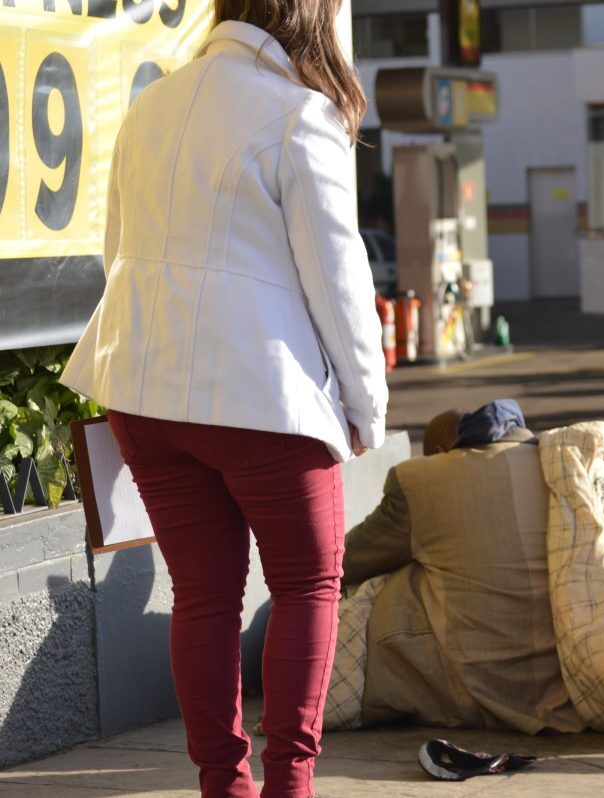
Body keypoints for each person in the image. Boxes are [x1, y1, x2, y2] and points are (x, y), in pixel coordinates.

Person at [60, 2, 389, 795]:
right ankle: (290, 784)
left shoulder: (150, 103)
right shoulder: (299, 115)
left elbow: (117, 253)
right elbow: (339, 284)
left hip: (145, 389)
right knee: (308, 582)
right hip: (261, 394)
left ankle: (224, 784)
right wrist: (366, 406)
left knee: (203, 594)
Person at [326, 402, 604, 746]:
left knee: (381, 590)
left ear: (440, 448)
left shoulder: (421, 477)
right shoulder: (577, 467)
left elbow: (349, 562)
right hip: (582, 674)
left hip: (480, 684)